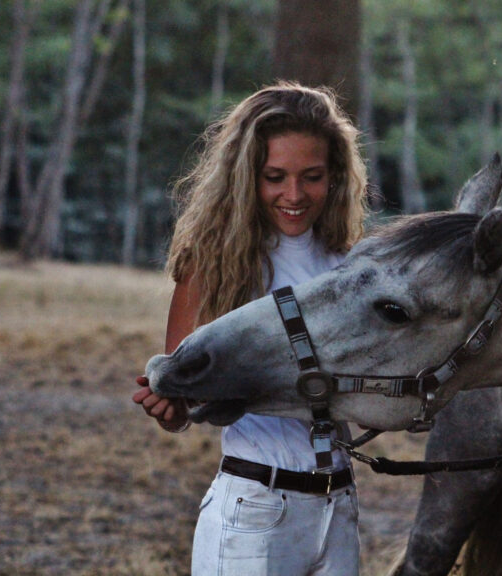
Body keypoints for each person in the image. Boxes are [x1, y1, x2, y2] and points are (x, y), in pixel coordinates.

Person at [132, 82, 368, 575]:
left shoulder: (349, 265)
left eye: (312, 177)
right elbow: (181, 404)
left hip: (340, 508)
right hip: (257, 511)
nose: (294, 195)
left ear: (335, 175)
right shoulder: (214, 266)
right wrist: (169, 408)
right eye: (274, 177)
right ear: (245, 177)